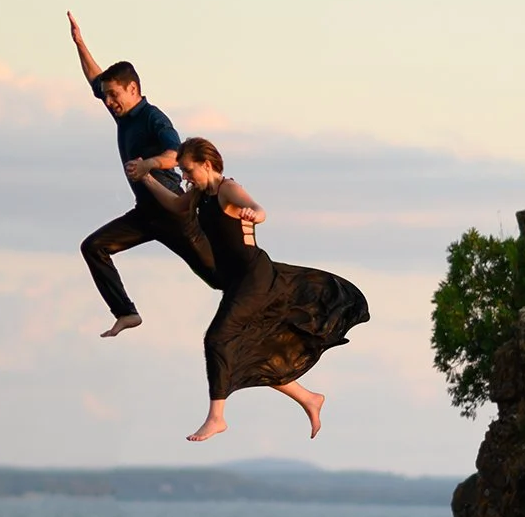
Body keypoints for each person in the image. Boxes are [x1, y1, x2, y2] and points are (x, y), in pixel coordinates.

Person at [135, 137, 368, 442]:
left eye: (189, 170)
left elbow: (258, 208)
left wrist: (254, 215)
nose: (185, 177)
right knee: (253, 347)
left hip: (255, 276)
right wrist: (147, 178)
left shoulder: (226, 189)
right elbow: (176, 204)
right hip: (237, 280)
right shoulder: (197, 195)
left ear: (207, 165)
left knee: (218, 338)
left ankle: (217, 418)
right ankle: (309, 398)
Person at [68, 12, 219, 336]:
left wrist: (149, 164)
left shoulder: (153, 118)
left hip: (173, 211)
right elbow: (96, 79)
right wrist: (80, 44)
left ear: (133, 88)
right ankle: (126, 312)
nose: (108, 102)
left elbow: (176, 154)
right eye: (106, 96)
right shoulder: (122, 114)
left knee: (220, 279)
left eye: (114, 96)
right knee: (93, 247)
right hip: (146, 214)